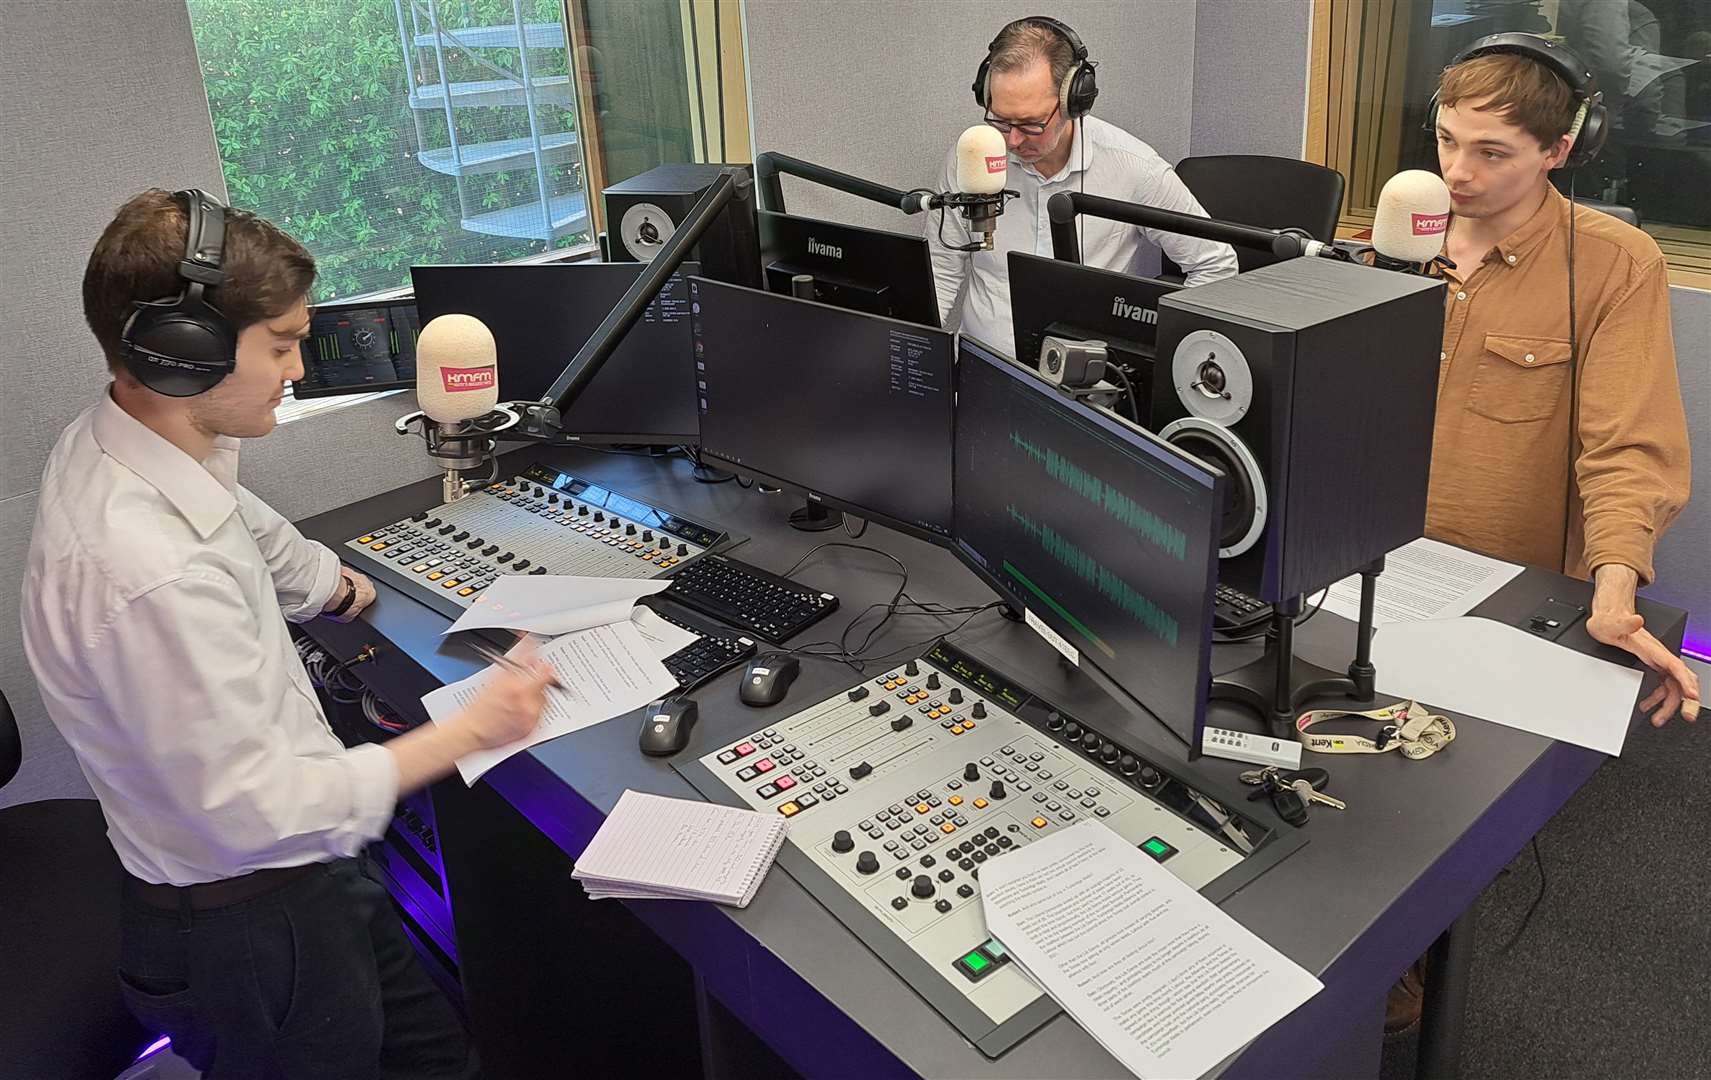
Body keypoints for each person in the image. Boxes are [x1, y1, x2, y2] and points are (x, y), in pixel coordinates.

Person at [19, 188, 554, 1077]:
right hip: (247, 924)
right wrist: (473, 728)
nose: (299, 369)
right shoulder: (148, 574)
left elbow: (232, 511)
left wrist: (324, 585)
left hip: (310, 884)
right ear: (183, 355)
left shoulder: (128, 434)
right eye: (280, 346)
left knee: (436, 1058)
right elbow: (261, 814)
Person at [1425, 36, 1698, 730]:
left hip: (1510, 593)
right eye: (1445, 139)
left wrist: (1614, 588)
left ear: (1559, 149)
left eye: (1491, 152)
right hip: (1376, 571)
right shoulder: (1400, 241)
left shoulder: (1616, 264)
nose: (1456, 172)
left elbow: (1628, 448)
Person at [928, 16, 1238, 353]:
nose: (1013, 140)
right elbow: (940, 273)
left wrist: (1164, 355)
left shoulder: (1134, 168)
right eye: (1001, 120)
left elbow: (1215, 264)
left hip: (1089, 389)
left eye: (1031, 124)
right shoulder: (972, 158)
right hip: (982, 375)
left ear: (1073, 103)